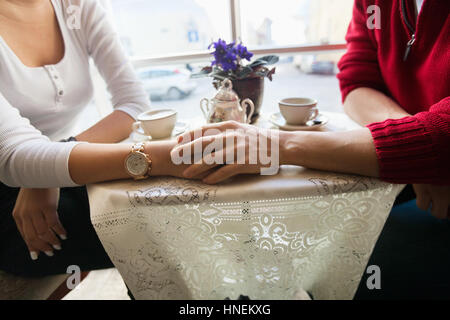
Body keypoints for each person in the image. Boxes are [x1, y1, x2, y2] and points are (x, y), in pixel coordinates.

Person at [173, 0, 449, 298]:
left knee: (352, 265)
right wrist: (420, 148)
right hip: (422, 178)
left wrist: (278, 145)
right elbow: (357, 81)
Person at [0, 0, 188, 276]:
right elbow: (14, 155)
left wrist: (51, 169)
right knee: (147, 230)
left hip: (62, 168)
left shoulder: (77, 6)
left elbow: (134, 103)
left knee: (162, 208)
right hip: (8, 195)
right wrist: (171, 156)